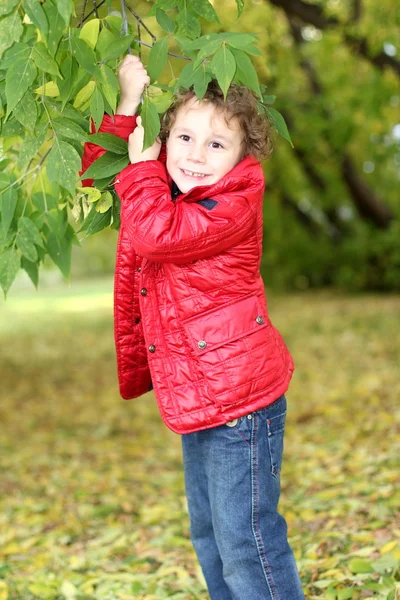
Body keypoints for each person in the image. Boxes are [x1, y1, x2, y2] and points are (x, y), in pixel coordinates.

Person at [81, 55, 305, 600]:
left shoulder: (233, 203)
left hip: (241, 402)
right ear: (165, 139)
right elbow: (95, 171)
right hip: (199, 394)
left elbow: (160, 236)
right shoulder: (161, 186)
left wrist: (142, 173)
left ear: (242, 155)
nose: (196, 156)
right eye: (184, 137)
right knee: (209, 536)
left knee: (246, 539)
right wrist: (129, 102)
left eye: (216, 145)